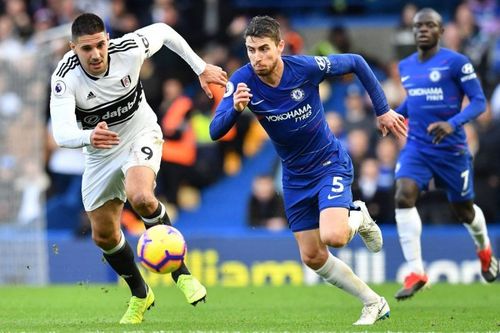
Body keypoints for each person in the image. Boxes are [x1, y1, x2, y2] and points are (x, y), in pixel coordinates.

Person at [209, 16, 407, 326]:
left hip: (328, 162)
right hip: (294, 176)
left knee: (334, 235)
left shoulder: (304, 68)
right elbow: (214, 131)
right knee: (313, 257)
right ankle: (373, 302)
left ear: (280, 47)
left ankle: (358, 215)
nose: (257, 58)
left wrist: (382, 110)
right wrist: (234, 109)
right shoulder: (242, 80)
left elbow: (355, 61)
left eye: (264, 49)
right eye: (251, 50)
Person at [49, 13, 227, 324]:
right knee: (103, 235)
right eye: (87, 49)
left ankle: (181, 275)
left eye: (100, 45)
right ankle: (141, 294)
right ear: (73, 48)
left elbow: (163, 30)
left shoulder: (128, 49)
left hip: (139, 133)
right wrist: (89, 136)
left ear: (108, 39)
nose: (96, 54)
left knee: (141, 196)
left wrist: (201, 69)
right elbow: (62, 134)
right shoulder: (65, 77)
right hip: (99, 151)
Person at [393, 8, 499, 301]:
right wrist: (392, 115)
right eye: (418, 26)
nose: (423, 30)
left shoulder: (456, 63)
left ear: (441, 32)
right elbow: (413, 102)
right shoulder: (406, 66)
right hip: (418, 146)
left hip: (452, 150)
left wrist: (452, 124)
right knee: (403, 194)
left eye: (430, 25)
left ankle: (485, 251)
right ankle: (416, 271)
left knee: (464, 211)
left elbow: (479, 102)